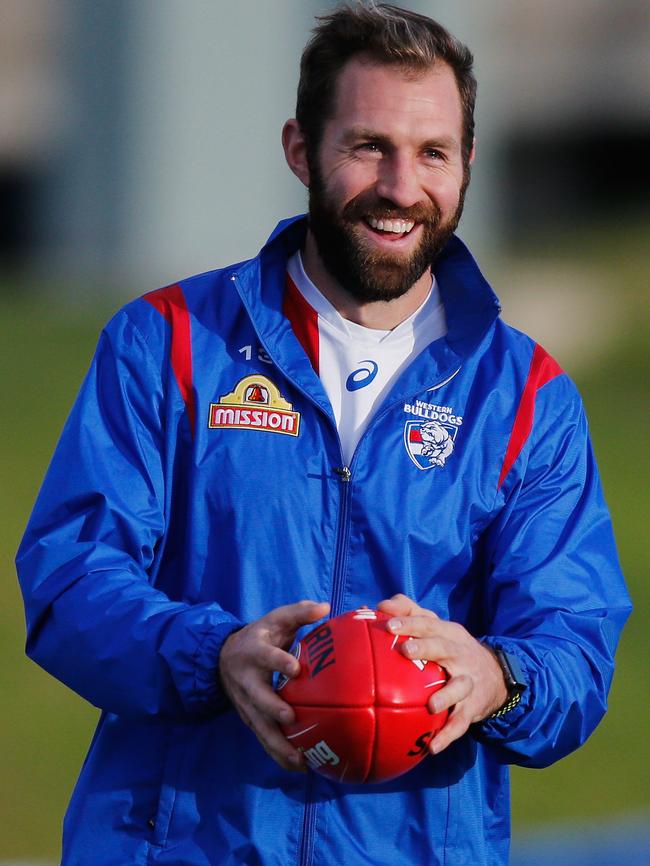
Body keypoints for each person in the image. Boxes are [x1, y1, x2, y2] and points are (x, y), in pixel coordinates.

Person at [17, 4, 631, 865]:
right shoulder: (166, 342)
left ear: (468, 165)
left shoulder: (525, 395)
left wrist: (498, 678)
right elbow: (70, 580)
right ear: (301, 150)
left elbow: (573, 642)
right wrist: (213, 654)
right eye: (367, 145)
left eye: (432, 153)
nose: (400, 186)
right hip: (180, 845)